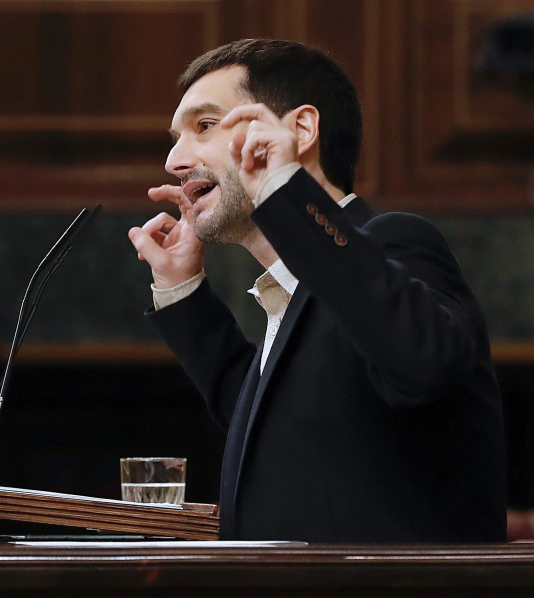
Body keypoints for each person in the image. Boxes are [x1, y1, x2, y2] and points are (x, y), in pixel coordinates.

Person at [127, 38, 506, 543]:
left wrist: (286, 193)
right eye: (175, 138)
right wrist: (183, 290)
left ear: (300, 130)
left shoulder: (396, 241)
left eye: (205, 125)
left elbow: (423, 362)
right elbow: (274, 420)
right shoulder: (299, 294)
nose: (175, 159)